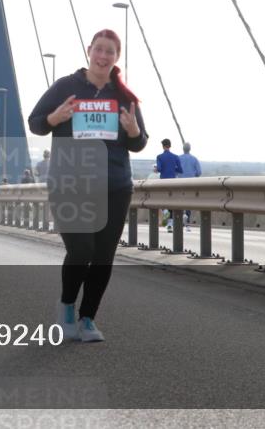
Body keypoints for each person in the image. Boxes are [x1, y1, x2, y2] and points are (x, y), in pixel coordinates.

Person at [28, 29, 148, 343]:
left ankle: (88, 318)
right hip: (71, 182)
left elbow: (139, 143)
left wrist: (134, 131)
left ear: (116, 57)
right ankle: (67, 304)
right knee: (82, 249)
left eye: (110, 52)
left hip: (115, 185)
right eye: (99, 49)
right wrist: (55, 118)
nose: (103, 56)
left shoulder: (124, 96)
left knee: (104, 255)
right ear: (89, 50)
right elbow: (35, 123)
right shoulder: (66, 87)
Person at [155, 139, 182, 229]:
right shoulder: (175, 157)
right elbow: (180, 170)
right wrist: (173, 169)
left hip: (163, 181)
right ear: (170, 146)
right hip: (172, 182)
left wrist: (156, 169)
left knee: (162, 199)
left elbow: (159, 168)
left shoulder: (159, 157)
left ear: (163, 146)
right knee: (171, 200)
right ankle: (170, 223)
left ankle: (165, 211)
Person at [178, 142, 202, 230]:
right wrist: (192, 174)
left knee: (180, 202)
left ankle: (179, 220)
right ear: (190, 149)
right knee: (188, 202)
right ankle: (187, 221)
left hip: (179, 184)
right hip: (191, 184)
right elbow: (199, 172)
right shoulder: (194, 159)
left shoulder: (178, 158)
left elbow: (175, 171)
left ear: (183, 149)